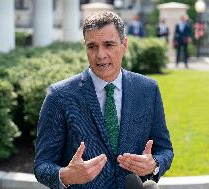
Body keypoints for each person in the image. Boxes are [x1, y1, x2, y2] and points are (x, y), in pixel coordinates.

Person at [34, 11, 173, 189]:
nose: (100, 54)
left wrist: (154, 164)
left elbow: (165, 149)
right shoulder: (59, 96)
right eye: (92, 46)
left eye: (109, 44)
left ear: (124, 44)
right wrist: (66, 175)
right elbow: (42, 165)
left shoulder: (148, 89)